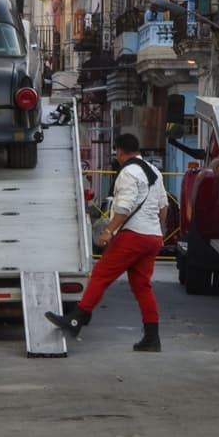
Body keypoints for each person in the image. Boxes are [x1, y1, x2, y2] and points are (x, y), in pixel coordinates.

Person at [46, 134, 168, 352]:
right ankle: (152, 338)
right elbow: (164, 206)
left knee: (101, 274)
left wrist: (109, 231)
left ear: (120, 151)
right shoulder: (155, 171)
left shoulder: (128, 172)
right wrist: (157, 230)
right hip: (153, 237)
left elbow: (124, 207)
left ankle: (76, 320)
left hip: (133, 235)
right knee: (142, 286)